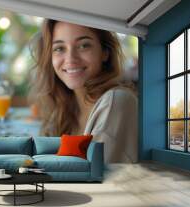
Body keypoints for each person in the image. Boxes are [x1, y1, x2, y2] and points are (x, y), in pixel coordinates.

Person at [30, 19, 138, 163]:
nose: (70, 59)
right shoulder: (64, 108)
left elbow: (94, 178)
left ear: (105, 52)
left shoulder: (116, 102)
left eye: (83, 45)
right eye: (59, 48)